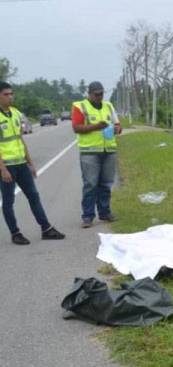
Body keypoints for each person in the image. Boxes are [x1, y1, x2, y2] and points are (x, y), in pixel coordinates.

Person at [0, 81, 65, 245]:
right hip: (6, 166)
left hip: (21, 164)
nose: (10, 97)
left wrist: (30, 163)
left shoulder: (15, 113)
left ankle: (46, 228)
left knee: (33, 195)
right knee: (8, 201)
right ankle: (15, 233)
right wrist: (3, 169)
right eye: (6, 94)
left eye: (11, 93)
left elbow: (20, 139)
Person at [71, 81, 121, 228]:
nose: (99, 96)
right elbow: (77, 127)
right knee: (90, 185)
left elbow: (117, 124)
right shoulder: (80, 106)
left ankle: (105, 212)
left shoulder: (108, 106)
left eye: (101, 94)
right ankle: (87, 216)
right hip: (90, 152)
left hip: (108, 150)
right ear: (90, 93)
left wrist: (117, 129)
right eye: (96, 94)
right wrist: (96, 126)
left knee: (106, 184)